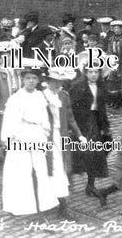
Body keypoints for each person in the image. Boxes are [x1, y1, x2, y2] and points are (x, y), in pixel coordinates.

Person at [1, 63, 59, 216]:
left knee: (40, 169)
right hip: (21, 137)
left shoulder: (40, 96)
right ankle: (23, 205)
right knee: (22, 171)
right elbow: (10, 122)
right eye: (28, 78)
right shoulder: (16, 98)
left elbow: (44, 118)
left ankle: (42, 204)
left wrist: (45, 135)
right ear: (22, 79)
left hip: (37, 134)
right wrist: (14, 138)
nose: (31, 81)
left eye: (34, 78)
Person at [42, 67, 86, 219]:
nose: (56, 85)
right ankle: (47, 203)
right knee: (47, 170)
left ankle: (62, 206)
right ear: (47, 82)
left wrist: (79, 134)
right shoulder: (41, 96)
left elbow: (70, 117)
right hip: (45, 138)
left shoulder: (64, 95)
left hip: (61, 137)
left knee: (61, 170)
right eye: (53, 82)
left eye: (59, 82)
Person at [69, 68, 110, 196]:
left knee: (96, 153)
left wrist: (105, 126)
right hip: (81, 122)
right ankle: (67, 180)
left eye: (96, 72)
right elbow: (71, 107)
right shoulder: (78, 86)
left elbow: (102, 107)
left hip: (95, 121)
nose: (93, 75)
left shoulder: (101, 86)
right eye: (90, 72)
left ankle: (90, 185)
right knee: (77, 153)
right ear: (85, 73)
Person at [0, 41, 22, 150]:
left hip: (17, 100)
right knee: (6, 126)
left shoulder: (17, 69)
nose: (6, 57)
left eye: (9, 54)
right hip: (5, 101)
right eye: (4, 55)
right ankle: (6, 150)